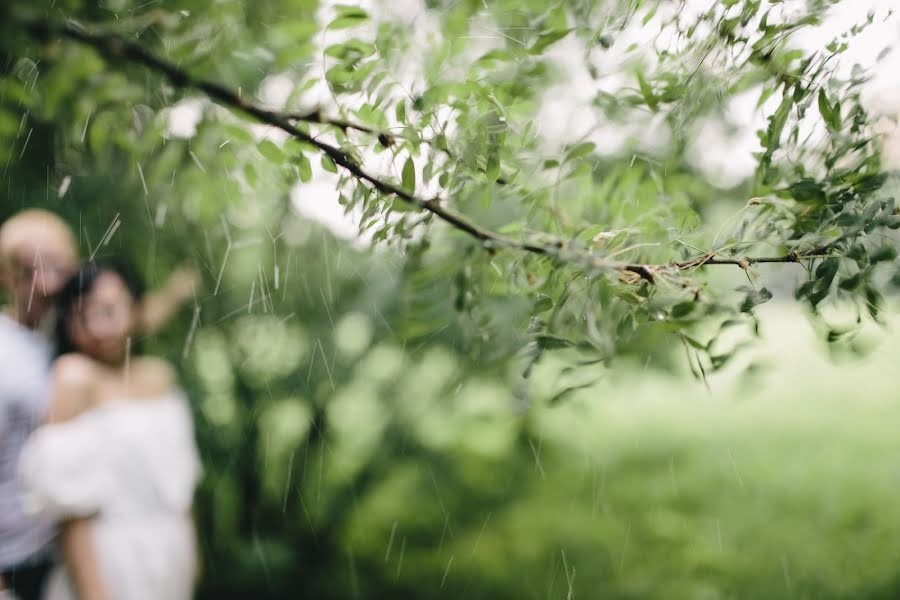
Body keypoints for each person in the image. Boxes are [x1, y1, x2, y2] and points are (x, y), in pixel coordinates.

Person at [0, 210, 196, 600]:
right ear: (5, 275)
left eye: (55, 265)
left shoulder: (73, 339)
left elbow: (122, 316)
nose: (44, 281)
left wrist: (179, 287)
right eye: (27, 270)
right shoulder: (18, 356)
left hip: (56, 554)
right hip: (14, 562)